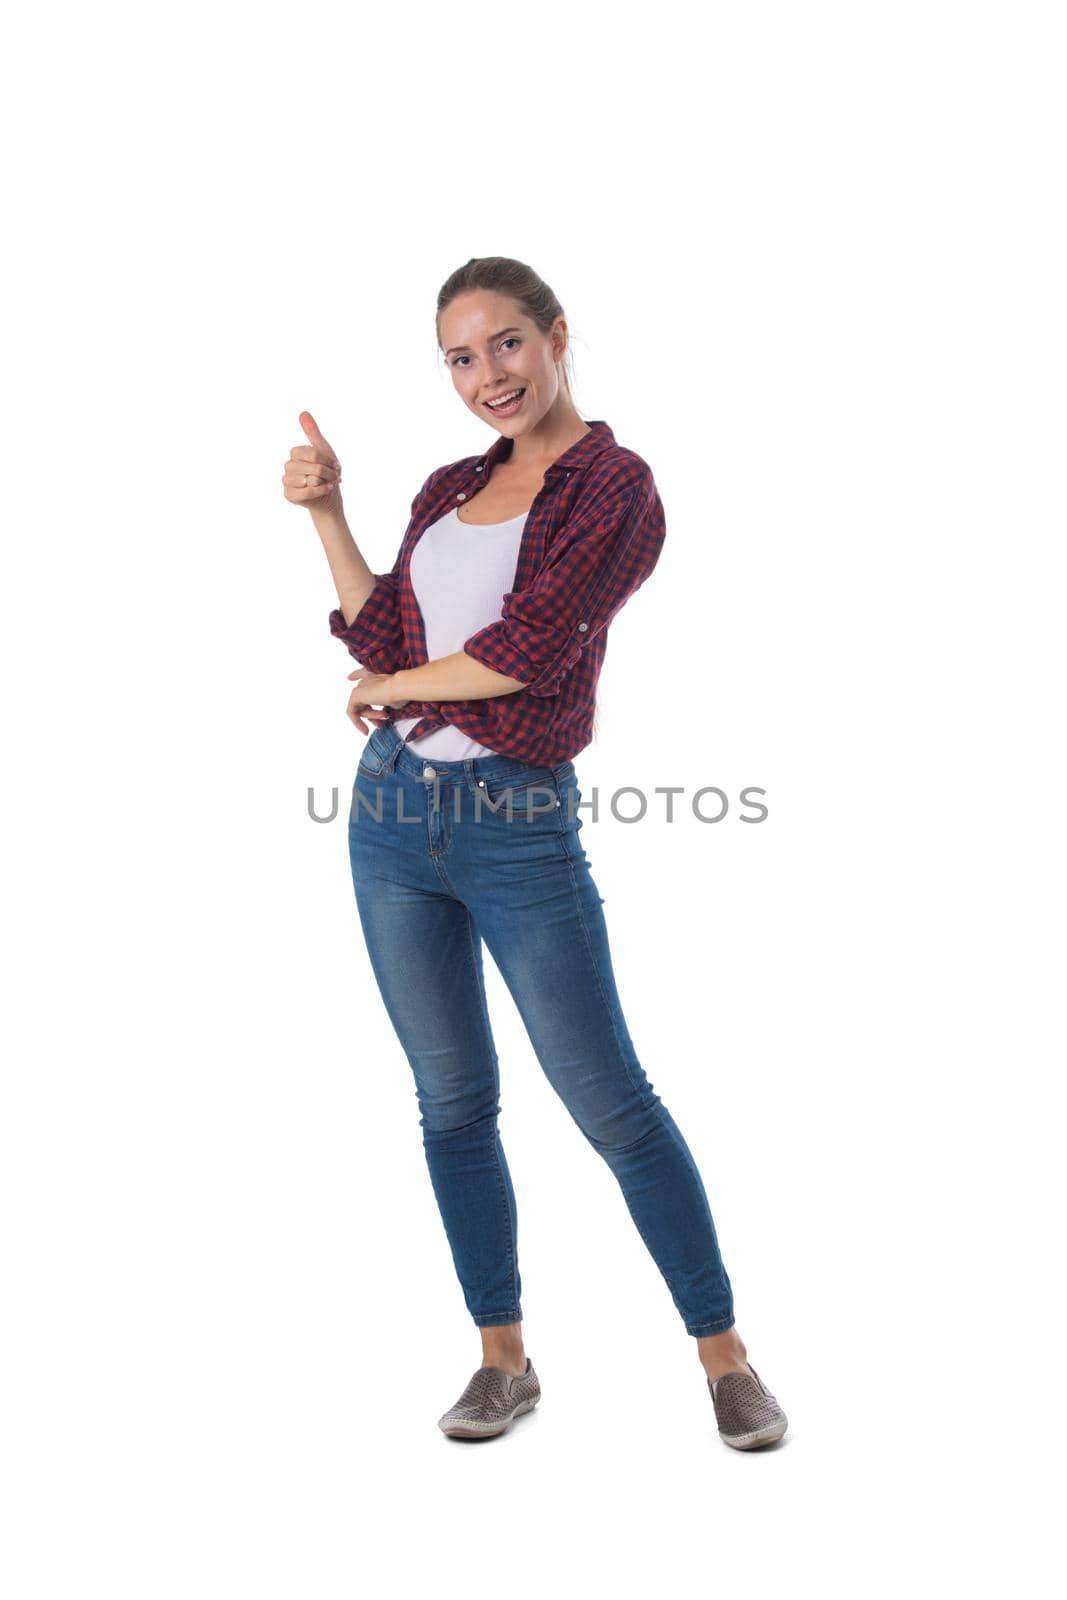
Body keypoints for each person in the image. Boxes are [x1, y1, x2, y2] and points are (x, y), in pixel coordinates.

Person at [281, 256, 788, 1451]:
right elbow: (383, 628)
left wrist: (392, 684)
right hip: (391, 821)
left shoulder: (616, 487)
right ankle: (500, 1361)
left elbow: (528, 649)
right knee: (451, 1100)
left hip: (515, 827)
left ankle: (724, 1356)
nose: (486, 377)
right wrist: (324, 513)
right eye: (460, 358)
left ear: (558, 336)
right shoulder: (450, 486)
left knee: (608, 1098)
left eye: (506, 344)